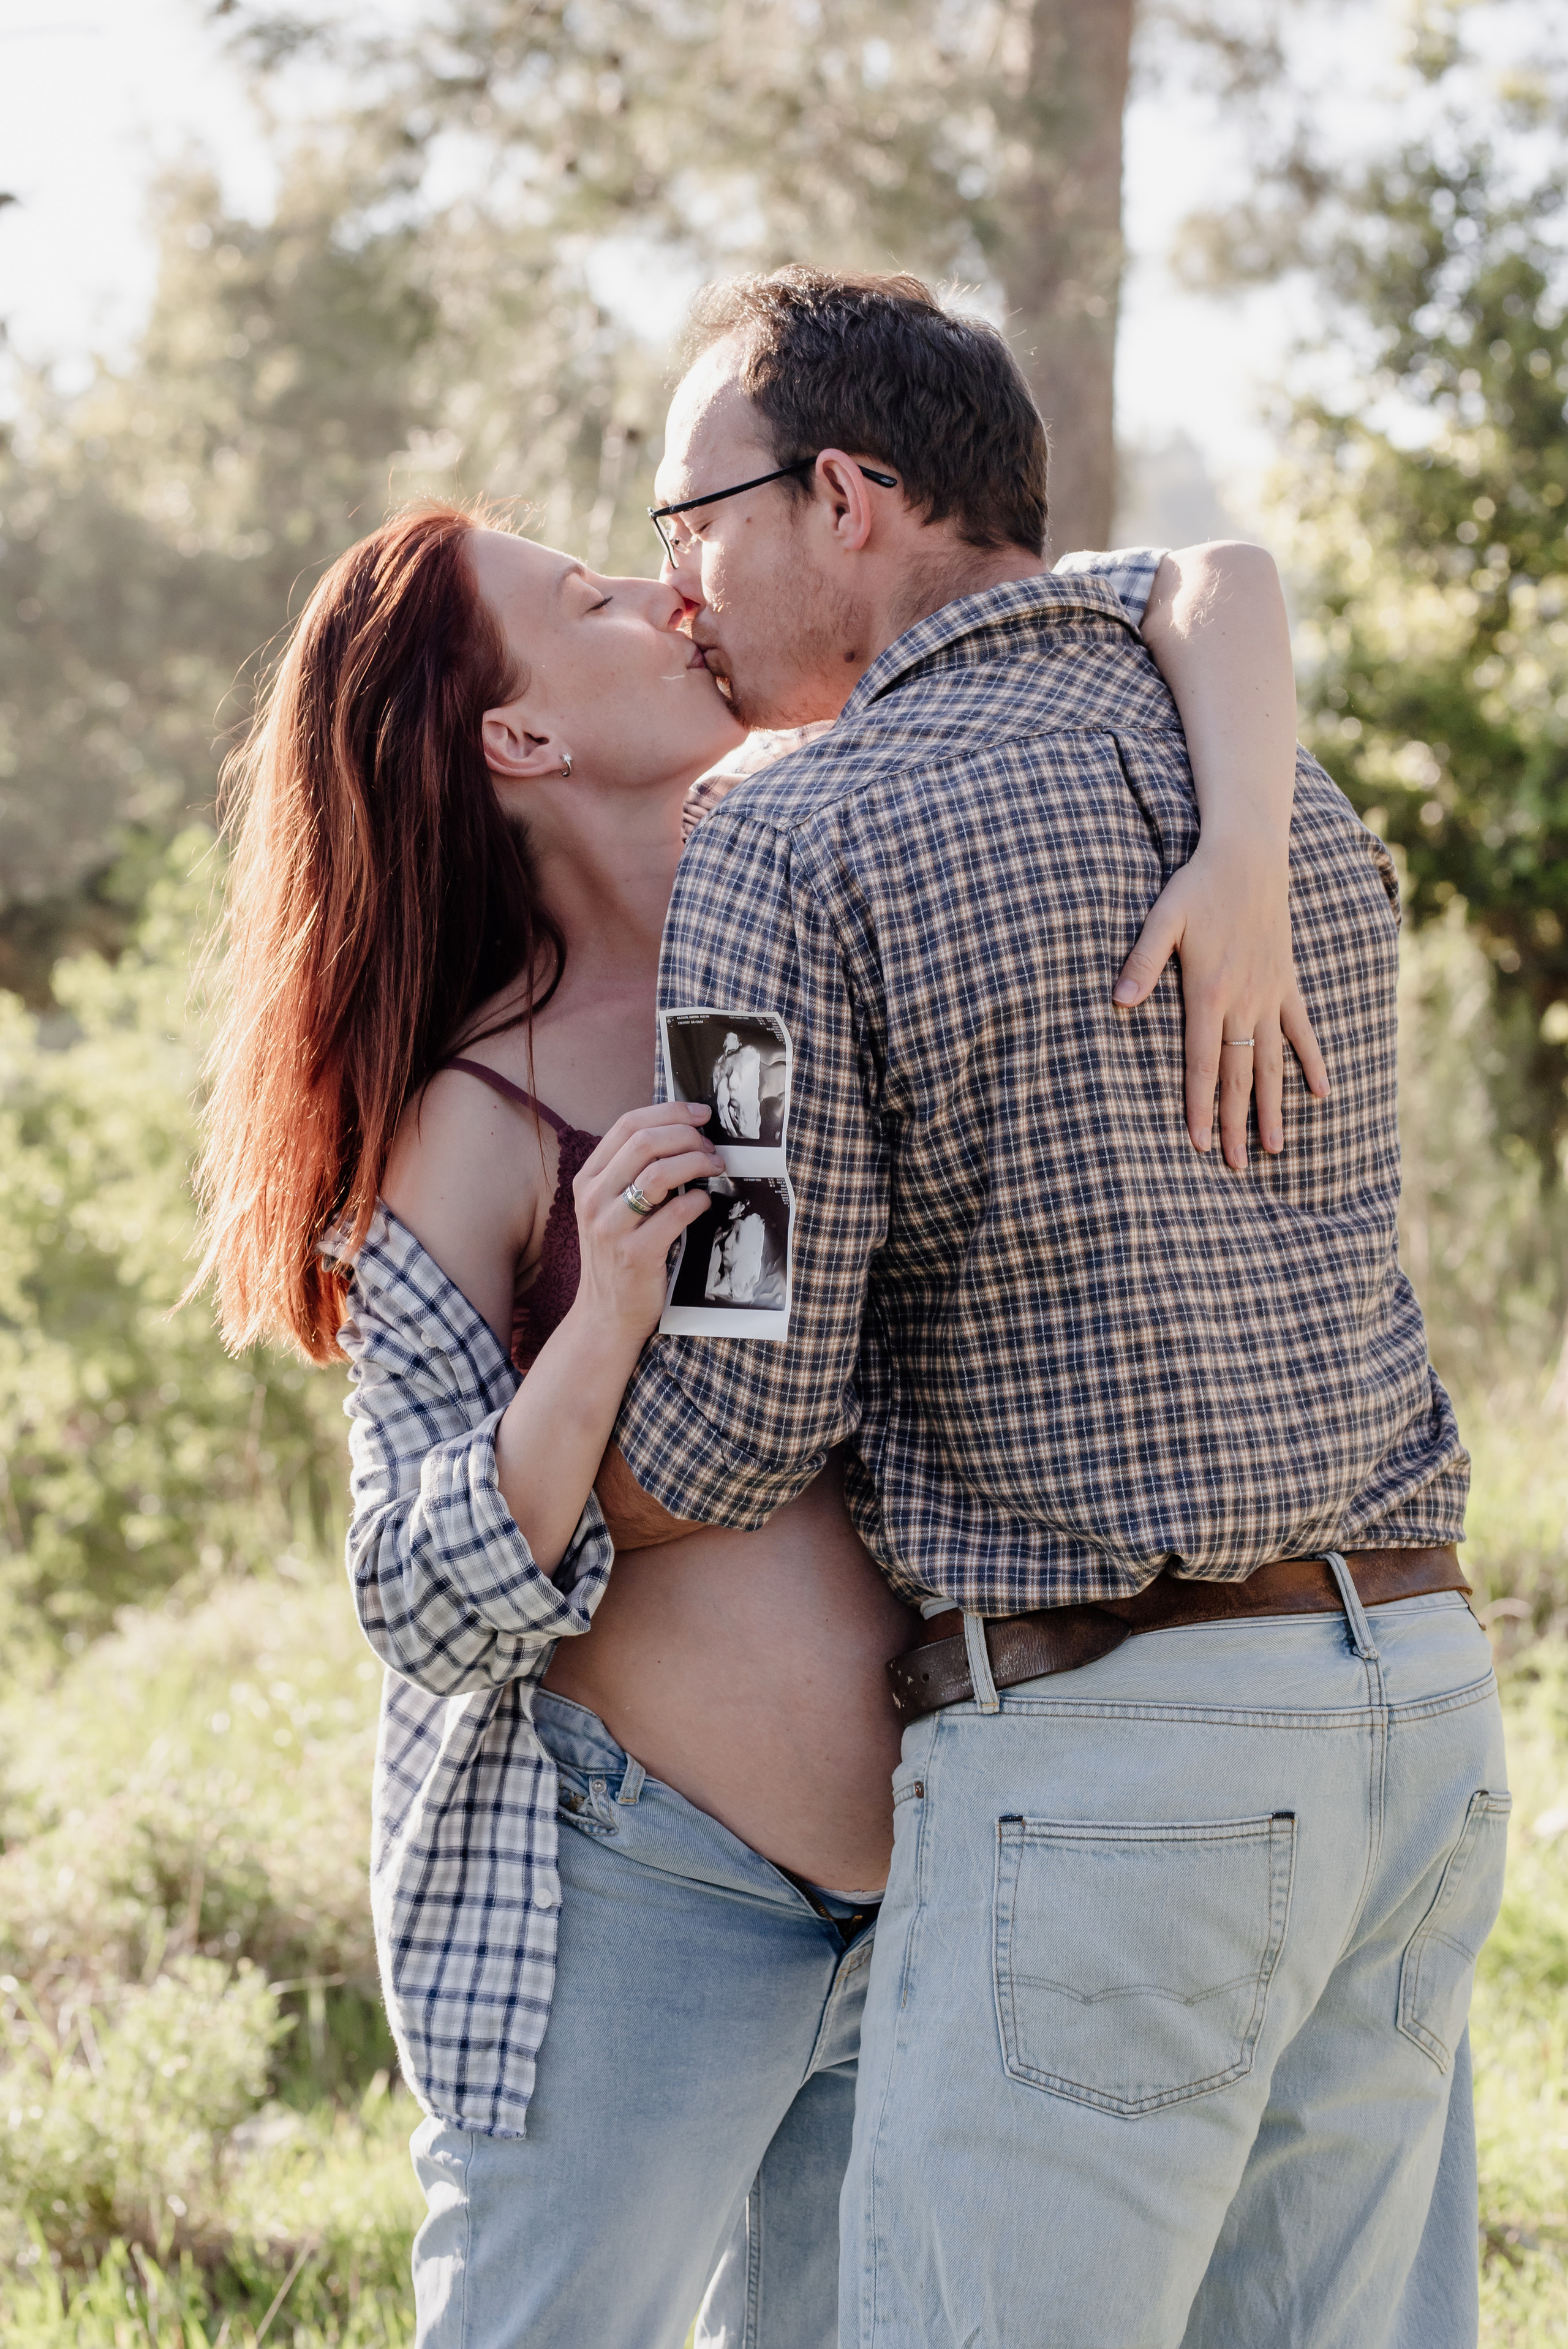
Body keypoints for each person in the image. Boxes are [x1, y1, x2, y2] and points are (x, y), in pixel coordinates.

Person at [195, 463, 1321, 2341]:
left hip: (940, 1887)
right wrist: (604, 1312)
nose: (660, 593)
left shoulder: (809, 884)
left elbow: (1212, 583)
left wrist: (1246, 853)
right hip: (646, 1890)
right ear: (521, 730)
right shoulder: (474, 1120)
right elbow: (414, 1588)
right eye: (589, 598)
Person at [603, 268, 1508, 2349]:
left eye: (691, 519)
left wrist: (525, 1478)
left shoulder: (789, 843)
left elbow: (741, 1413)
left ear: (845, 495)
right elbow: (1198, 588)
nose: (672, 590)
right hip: (1419, 1704)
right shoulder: (1279, 801)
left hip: (1130, 1777)